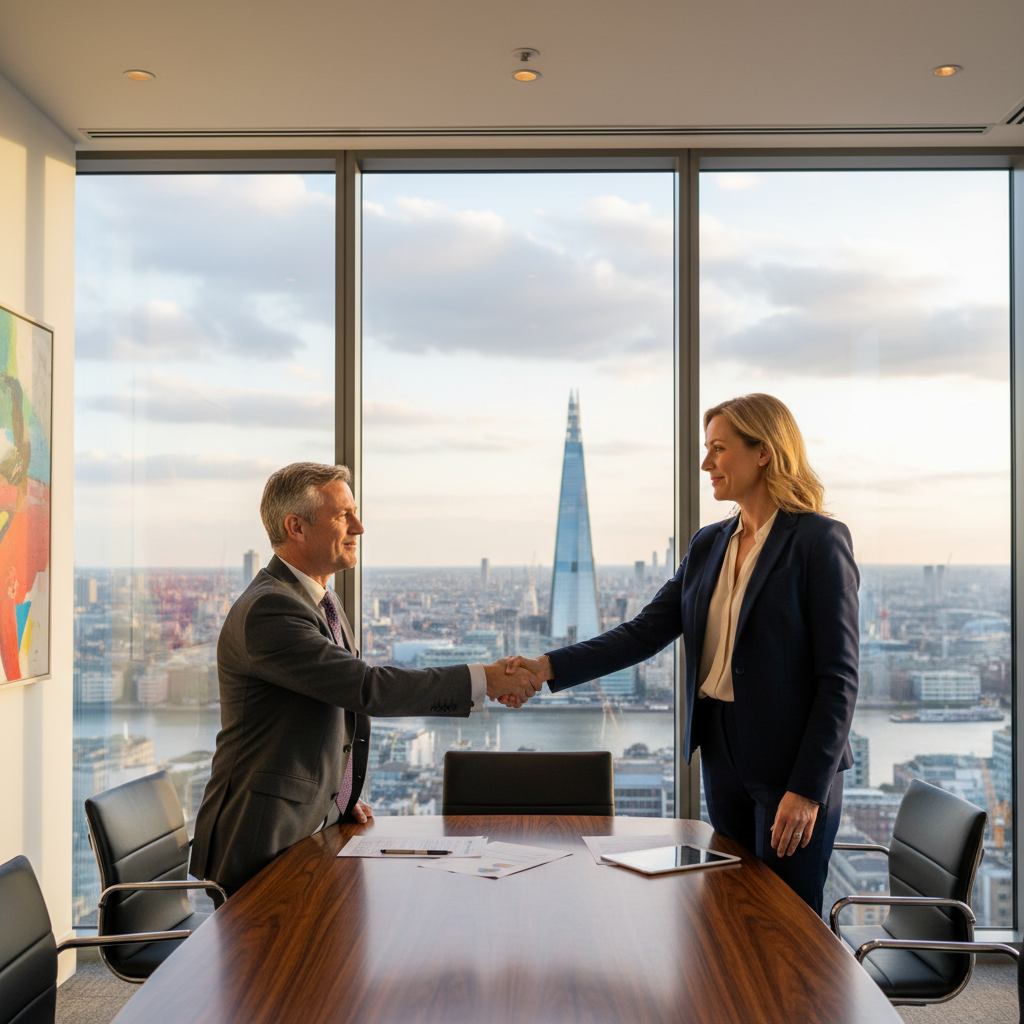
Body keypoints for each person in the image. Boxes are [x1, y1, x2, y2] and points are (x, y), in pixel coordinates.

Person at [505, 394, 858, 914]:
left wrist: (807, 789)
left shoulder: (818, 541)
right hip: (722, 756)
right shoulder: (709, 543)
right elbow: (644, 632)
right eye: (705, 448)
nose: (705, 463)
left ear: (764, 452)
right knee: (729, 907)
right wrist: (548, 668)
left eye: (719, 448)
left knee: (788, 922)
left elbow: (839, 679)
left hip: (792, 765)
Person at [191, 462, 541, 894]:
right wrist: (485, 678)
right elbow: (366, 689)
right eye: (343, 516)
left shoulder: (321, 601)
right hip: (263, 837)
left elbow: (326, 709)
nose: (360, 526)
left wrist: (336, 799)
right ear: (296, 527)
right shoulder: (271, 610)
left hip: (306, 828)